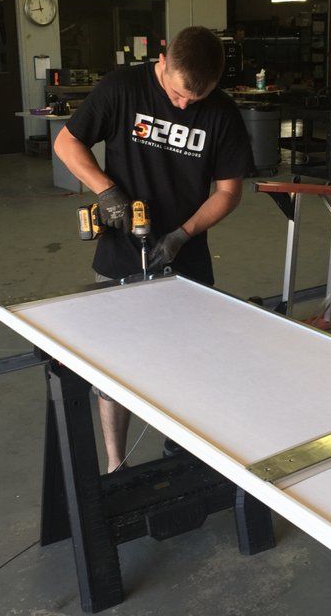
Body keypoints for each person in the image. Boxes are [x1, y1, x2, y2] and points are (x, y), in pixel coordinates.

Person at [54, 25, 253, 472]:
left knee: (187, 361)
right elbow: (67, 142)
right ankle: (115, 463)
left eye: (195, 101)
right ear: (162, 61)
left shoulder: (221, 113)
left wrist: (184, 233)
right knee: (112, 367)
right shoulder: (121, 89)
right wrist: (106, 191)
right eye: (179, 94)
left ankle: (178, 451)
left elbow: (228, 191)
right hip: (122, 248)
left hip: (186, 253)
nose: (184, 106)